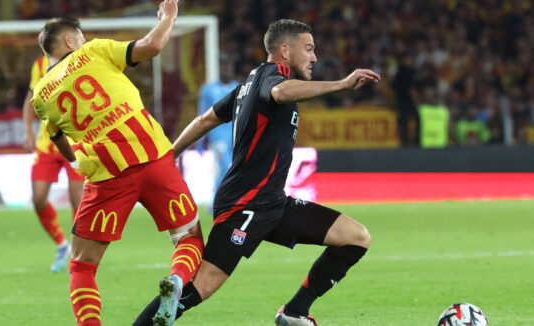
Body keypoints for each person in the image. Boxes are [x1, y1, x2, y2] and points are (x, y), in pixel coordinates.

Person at [134, 19, 379, 326]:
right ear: (285, 51)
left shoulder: (246, 85)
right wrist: (341, 84)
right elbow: (279, 92)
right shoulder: (273, 77)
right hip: (245, 205)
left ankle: (295, 312)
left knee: (355, 237)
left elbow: (205, 120)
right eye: (309, 49)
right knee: (203, 285)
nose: (314, 57)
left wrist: (171, 153)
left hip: (273, 204)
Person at [31, 2, 204, 325]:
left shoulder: (40, 95)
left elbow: (64, 148)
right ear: (69, 41)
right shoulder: (95, 51)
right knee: (189, 237)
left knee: (82, 265)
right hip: (152, 154)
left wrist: (80, 153)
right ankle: (178, 280)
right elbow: (152, 45)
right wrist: (169, 17)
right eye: (79, 37)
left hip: (107, 173)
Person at [22, 55, 85, 273]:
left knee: (78, 198)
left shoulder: (82, 60)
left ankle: (78, 252)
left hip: (75, 140)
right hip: (47, 141)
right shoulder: (39, 64)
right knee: (38, 197)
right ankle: (61, 244)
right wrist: (28, 130)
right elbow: (30, 98)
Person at [195, 53, 239, 197]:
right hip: (217, 136)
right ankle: (217, 199)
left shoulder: (238, 88)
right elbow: (202, 115)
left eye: (228, 67)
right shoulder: (208, 89)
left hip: (235, 135)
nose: (226, 70)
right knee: (225, 166)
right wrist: (200, 141)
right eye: (223, 67)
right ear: (219, 69)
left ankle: (229, 199)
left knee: (232, 168)